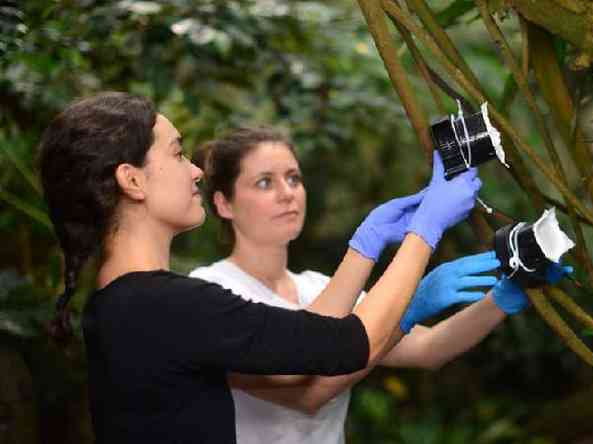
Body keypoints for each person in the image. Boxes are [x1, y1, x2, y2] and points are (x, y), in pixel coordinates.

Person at [38, 92, 482, 444]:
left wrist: (363, 248)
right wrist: (425, 230)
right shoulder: (168, 304)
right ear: (131, 180)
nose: (195, 171)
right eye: (177, 155)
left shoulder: (123, 304)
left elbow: (302, 356)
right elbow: (347, 345)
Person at [190, 127, 545, 444]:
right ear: (223, 203)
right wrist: (406, 309)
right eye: (265, 182)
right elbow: (308, 395)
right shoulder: (209, 292)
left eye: (294, 179)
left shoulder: (320, 288)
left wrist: (506, 296)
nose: (288, 194)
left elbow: (428, 348)